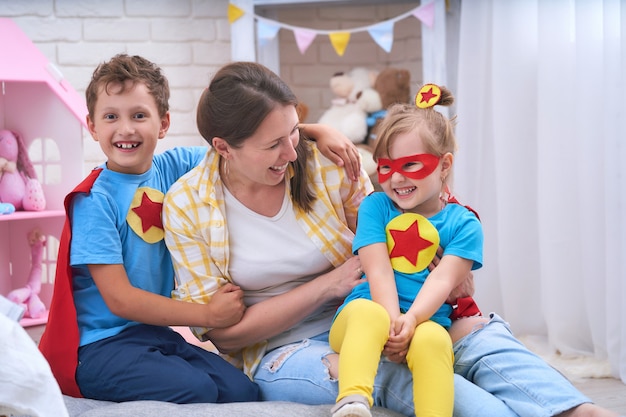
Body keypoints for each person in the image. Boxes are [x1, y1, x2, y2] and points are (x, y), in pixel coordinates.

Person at [163, 61, 620, 417]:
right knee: (409, 379)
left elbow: (398, 221)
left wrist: (443, 265)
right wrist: (330, 284)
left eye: (295, 132)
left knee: (481, 338)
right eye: (273, 145)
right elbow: (225, 335)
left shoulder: (322, 161)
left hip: (385, 304)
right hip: (287, 349)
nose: (291, 151)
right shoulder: (187, 205)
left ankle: (579, 409)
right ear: (223, 147)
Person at [37, 53, 361, 403]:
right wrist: (206, 314)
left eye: (139, 115)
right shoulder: (93, 200)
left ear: (163, 124)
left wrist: (315, 131)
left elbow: (243, 146)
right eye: (111, 117)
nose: (126, 129)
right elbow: (120, 299)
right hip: (102, 342)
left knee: (241, 389)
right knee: (198, 388)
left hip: (155, 336)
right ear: (92, 126)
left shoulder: (175, 166)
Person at [328, 84, 480, 417]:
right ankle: (352, 402)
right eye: (386, 167)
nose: (396, 179)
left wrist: (411, 321)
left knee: (434, 340)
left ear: (444, 165)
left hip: (424, 323)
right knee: (372, 315)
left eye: (411, 165)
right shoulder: (376, 207)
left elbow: (443, 281)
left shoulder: (464, 224)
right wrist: (393, 321)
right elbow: (377, 269)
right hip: (362, 318)